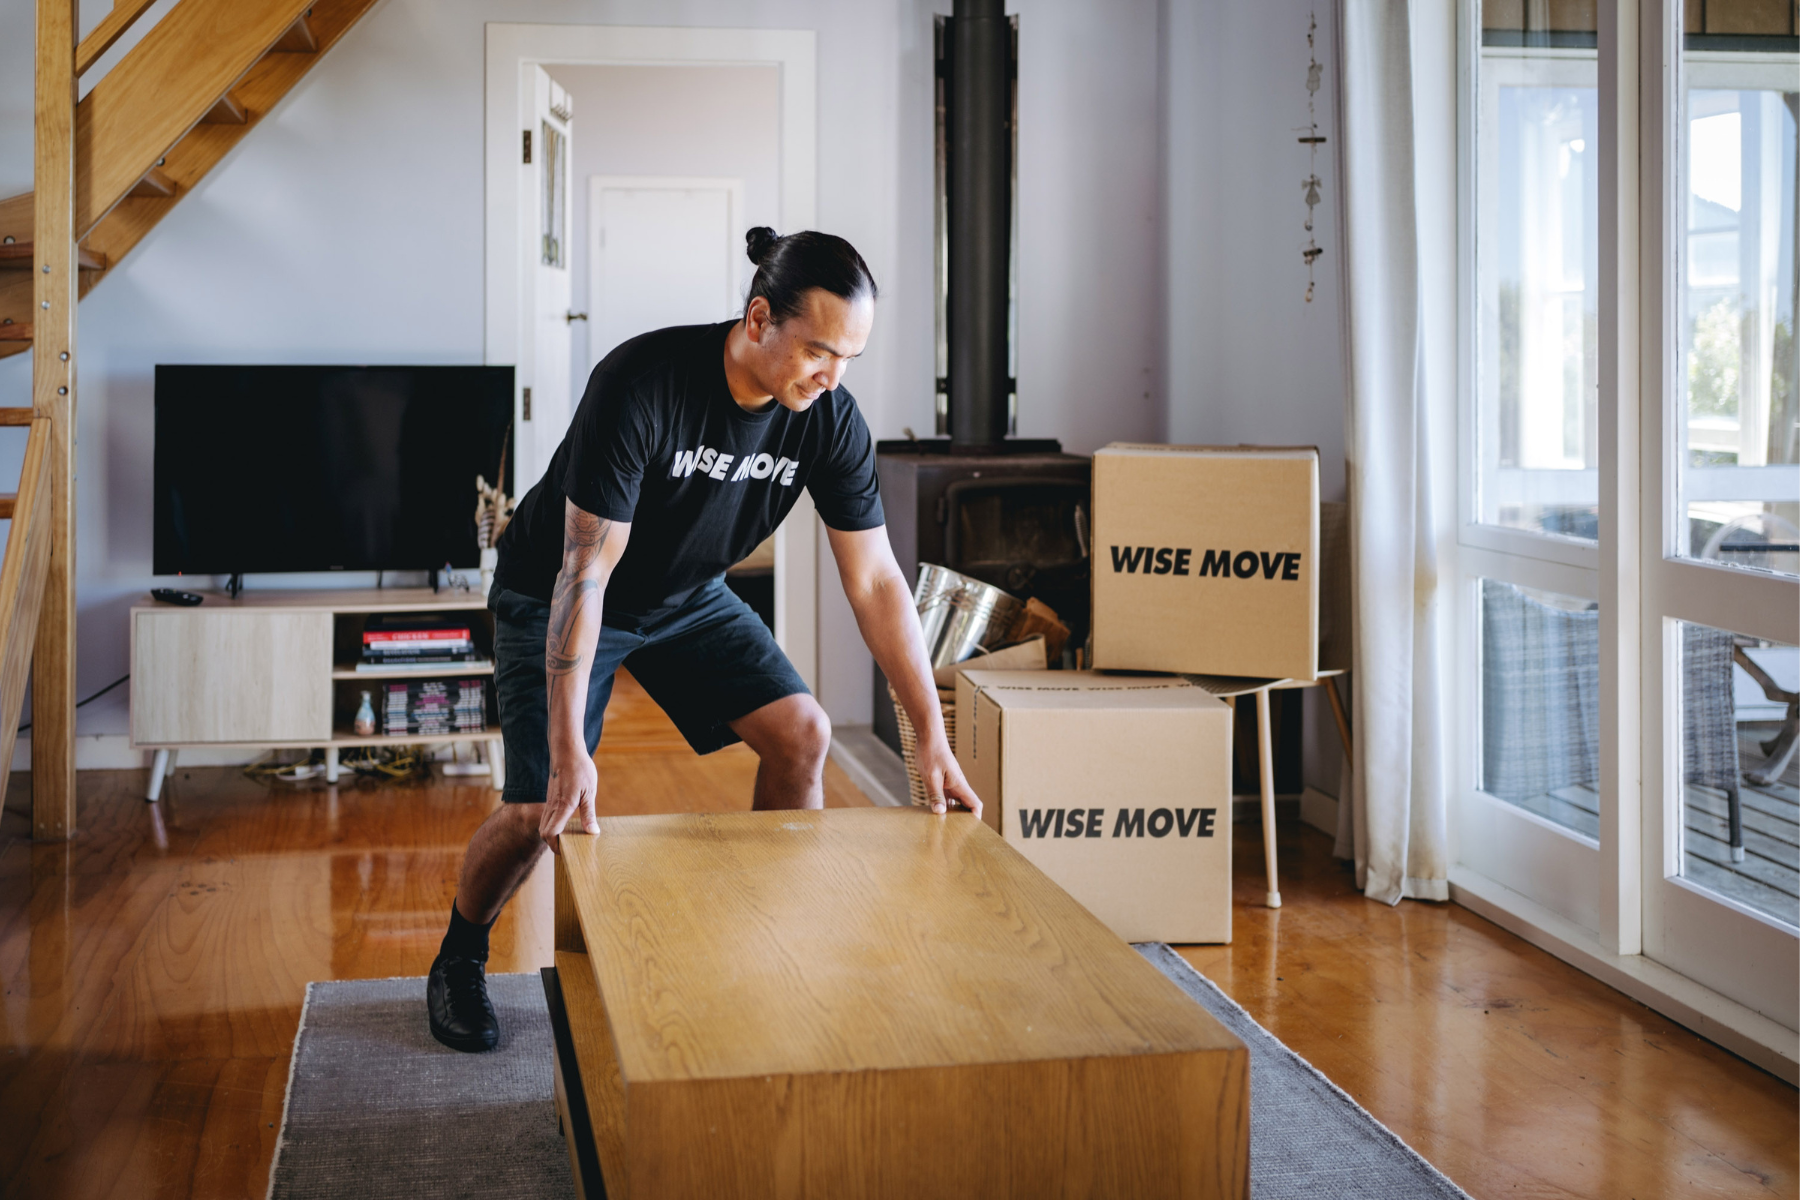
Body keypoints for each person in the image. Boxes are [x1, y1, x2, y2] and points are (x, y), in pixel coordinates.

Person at [427, 227, 981, 1051]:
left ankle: (769, 939)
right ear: (759, 318)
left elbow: (874, 581)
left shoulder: (826, 418)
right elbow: (585, 570)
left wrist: (929, 735)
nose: (832, 377)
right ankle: (459, 956)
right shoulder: (643, 384)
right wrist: (570, 748)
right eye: (819, 352)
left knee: (803, 735)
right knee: (539, 803)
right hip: (566, 589)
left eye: (849, 360)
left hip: (687, 595)